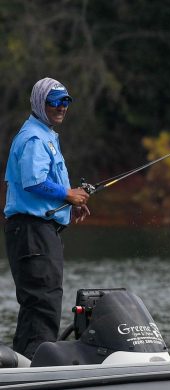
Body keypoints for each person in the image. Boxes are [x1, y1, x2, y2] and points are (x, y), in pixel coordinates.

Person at [3, 77, 91, 359]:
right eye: (55, 101)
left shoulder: (45, 135)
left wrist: (69, 203)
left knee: (41, 301)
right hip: (32, 231)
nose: (62, 107)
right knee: (42, 301)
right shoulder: (34, 138)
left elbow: (42, 184)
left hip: (39, 231)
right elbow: (34, 181)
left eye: (66, 101)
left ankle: (25, 365)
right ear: (40, 103)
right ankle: (36, 369)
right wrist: (67, 194)